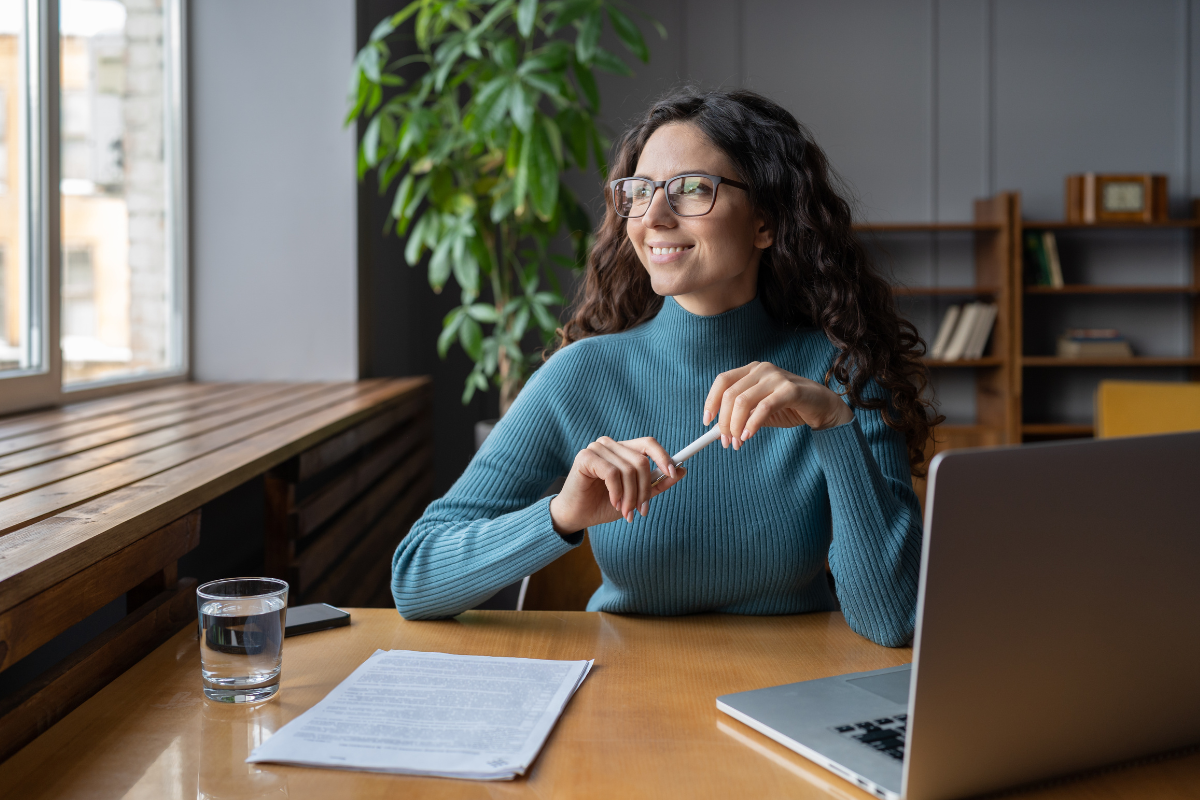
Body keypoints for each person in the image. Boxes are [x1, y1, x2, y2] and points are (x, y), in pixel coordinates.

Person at [391, 89, 941, 647]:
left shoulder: (842, 374)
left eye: (692, 190)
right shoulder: (580, 375)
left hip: (790, 698)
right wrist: (561, 515)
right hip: (625, 704)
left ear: (765, 224)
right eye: (640, 191)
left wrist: (833, 424)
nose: (653, 216)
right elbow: (415, 577)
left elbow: (893, 621)